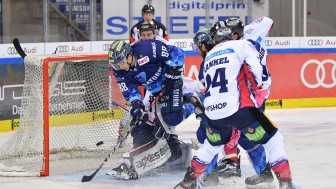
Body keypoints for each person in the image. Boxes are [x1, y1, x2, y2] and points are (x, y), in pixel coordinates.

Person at [176, 26, 298, 189]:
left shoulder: (210, 57)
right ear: (232, 37)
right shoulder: (241, 45)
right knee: (274, 139)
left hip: (213, 113)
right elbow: (254, 69)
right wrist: (259, 90)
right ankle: (286, 182)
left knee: (210, 146)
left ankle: (189, 182)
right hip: (239, 107)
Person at [106, 39, 198, 180]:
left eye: (122, 62)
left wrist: (172, 73)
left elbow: (177, 53)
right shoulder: (120, 71)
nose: (120, 67)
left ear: (130, 55)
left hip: (171, 82)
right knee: (139, 125)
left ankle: (193, 103)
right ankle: (143, 157)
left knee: (171, 118)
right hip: (154, 90)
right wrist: (136, 106)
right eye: (117, 64)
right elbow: (130, 91)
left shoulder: (148, 48)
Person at [211, 17, 275, 188]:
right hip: (257, 94)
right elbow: (268, 21)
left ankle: (231, 164)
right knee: (247, 136)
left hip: (249, 97)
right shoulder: (251, 38)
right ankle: (263, 172)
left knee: (232, 131)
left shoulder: (238, 47)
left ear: (234, 35)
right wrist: (249, 28)